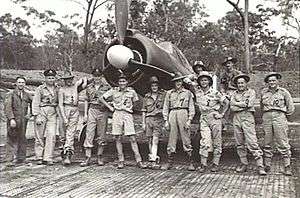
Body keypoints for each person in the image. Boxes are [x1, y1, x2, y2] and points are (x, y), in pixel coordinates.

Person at [100, 73, 146, 169]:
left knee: (132, 138)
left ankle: (139, 160)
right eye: (120, 81)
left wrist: (130, 107)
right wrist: (110, 107)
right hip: (117, 113)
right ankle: (121, 160)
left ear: (127, 82)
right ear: (118, 82)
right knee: (118, 137)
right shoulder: (114, 91)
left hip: (127, 114)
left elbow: (136, 101)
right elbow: (102, 98)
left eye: (123, 81)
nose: (122, 83)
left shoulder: (131, 92)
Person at [230, 74, 267, 175]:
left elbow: (249, 104)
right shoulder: (234, 94)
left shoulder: (251, 92)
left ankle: (260, 165)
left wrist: (237, 104)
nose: (240, 85)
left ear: (246, 83)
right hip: (237, 118)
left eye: (242, 83)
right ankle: (243, 163)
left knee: (252, 142)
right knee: (239, 142)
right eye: (238, 83)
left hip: (247, 117)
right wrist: (242, 104)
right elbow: (232, 107)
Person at [260, 72, 295, 176]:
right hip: (267, 117)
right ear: (267, 82)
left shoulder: (284, 92)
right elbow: (262, 107)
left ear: (278, 81)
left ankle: (287, 165)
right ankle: (267, 164)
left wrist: (281, 115)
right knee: (267, 141)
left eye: (274, 80)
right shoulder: (264, 92)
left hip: (279, 116)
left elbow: (290, 108)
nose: (272, 82)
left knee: (282, 141)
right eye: (270, 81)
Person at [195, 71, 229, 172]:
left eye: (205, 80)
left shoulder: (215, 93)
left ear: (209, 81)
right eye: (201, 80)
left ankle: (215, 163)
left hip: (214, 117)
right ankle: (203, 164)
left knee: (217, 140)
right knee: (204, 141)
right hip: (204, 118)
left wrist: (221, 114)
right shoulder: (198, 92)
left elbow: (226, 103)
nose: (203, 82)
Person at [162, 72, 196, 171]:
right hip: (173, 113)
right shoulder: (169, 93)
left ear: (182, 82)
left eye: (180, 81)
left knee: (186, 137)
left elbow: (191, 107)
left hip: (183, 113)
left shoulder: (188, 93)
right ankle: (170, 161)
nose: (178, 83)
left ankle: (190, 162)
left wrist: (189, 120)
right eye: (176, 81)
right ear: (174, 82)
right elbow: (165, 107)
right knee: (172, 138)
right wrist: (166, 120)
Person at [80, 68, 111, 167]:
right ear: (92, 76)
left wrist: (108, 105)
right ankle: (87, 157)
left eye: (99, 76)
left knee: (102, 134)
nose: (97, 78)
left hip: (102, 111)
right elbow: (86, 100)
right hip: (92, 110)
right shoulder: (89, 87)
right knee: (89, 133)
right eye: (95, 76)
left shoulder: (107, 87)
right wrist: (85, 114)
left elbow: (112, 99)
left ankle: (99, 156)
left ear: (101, 76)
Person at [58, 72, 86, 165]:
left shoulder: (75, 87)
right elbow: (60, 104)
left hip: (75, 109)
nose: (69, 81)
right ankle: (63, 151)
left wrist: (83, 80)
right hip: (65, 109)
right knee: (63, 132)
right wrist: (64, 117)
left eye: (71, 79)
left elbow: (83, 80)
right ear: (64, 81)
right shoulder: (61, 90)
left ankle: (68, 154)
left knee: (71, 132)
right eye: (67, 79)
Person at [32, 69, 58, 166]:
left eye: (52, 78)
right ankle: (39, 156)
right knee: (39, 135)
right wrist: (37, 115)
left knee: (51, 134)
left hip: (52, 112)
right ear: (45, 78)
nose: (51, 79)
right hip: (42, 111)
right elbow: (35, 102)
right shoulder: (40, 89)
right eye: (49, 78)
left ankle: (48, 157)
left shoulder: (57, 88)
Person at [4, 76, 32, 166]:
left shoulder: (26, 94)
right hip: (13, 120)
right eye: (19, 82)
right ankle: (9, 159)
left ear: (25, 84)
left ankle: (21, 158)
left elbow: (34, 103)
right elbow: (7, 108)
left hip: (23, 120)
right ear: (16, 83)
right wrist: (11, 119)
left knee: (22, 138)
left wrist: (30, 114)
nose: (21, 84)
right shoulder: (11, 94)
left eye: (23, 82)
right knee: (11, 138)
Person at [141, 76, 165, 169]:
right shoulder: (146, 97)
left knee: (155, 139)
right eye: (152, 86)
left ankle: (153, 159)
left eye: (156, 85)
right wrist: (143, 123)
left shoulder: (163, 95)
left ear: (158, 86)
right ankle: (152, 157)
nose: (154, 87)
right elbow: (143, 110)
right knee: (150, 140)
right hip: (148, 120)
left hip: (158, 119)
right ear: (150, 87)